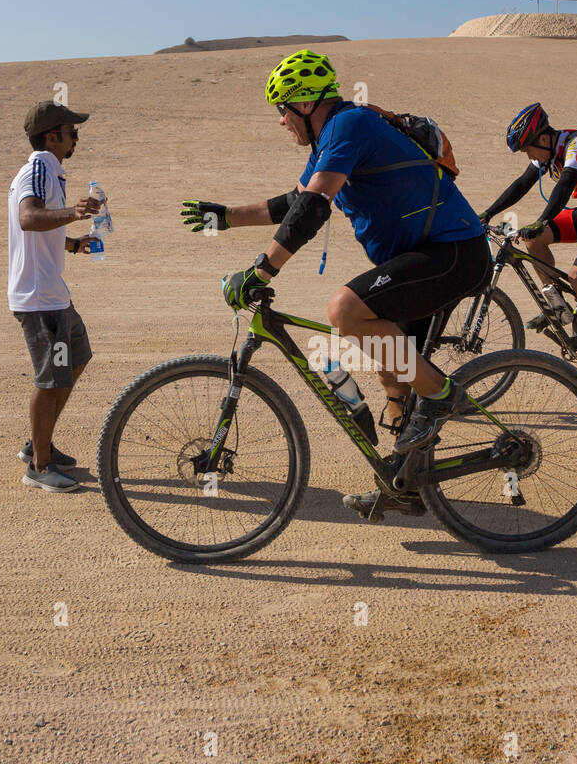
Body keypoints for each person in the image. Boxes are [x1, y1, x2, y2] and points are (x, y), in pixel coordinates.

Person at [179, 50, 490, 521]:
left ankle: (445, 397)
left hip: (452, 253)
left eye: (282, 109)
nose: (281, 121)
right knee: (393, 370)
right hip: (421, 258)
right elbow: (296, 201)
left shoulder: (349, 126)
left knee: (345, 312)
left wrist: (262, 271)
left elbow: (314, 208)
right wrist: (226, 217)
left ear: (304, 104)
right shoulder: (331, 139)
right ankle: (404, 485)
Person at [477, 103, 577, 379]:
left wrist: (541, 220)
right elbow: (521, 184)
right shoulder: (546, 151)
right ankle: (558, 305)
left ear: (542, 137)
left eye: (527, 148)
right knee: (534, 241)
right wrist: (489, 212)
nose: (527, 154)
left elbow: (565, 185)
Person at [7, 100, 102, 493]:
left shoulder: (51, 169)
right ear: (52, 136)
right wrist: (74, 213)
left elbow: (42, 223)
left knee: (77, 358)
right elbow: (28, 218)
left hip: (53, 295)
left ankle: (39, 442)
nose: (76, 137)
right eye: (71, 131)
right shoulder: (40, 164)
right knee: (50, 381)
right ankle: (39, 467)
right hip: (39, 298)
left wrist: (72, 244)